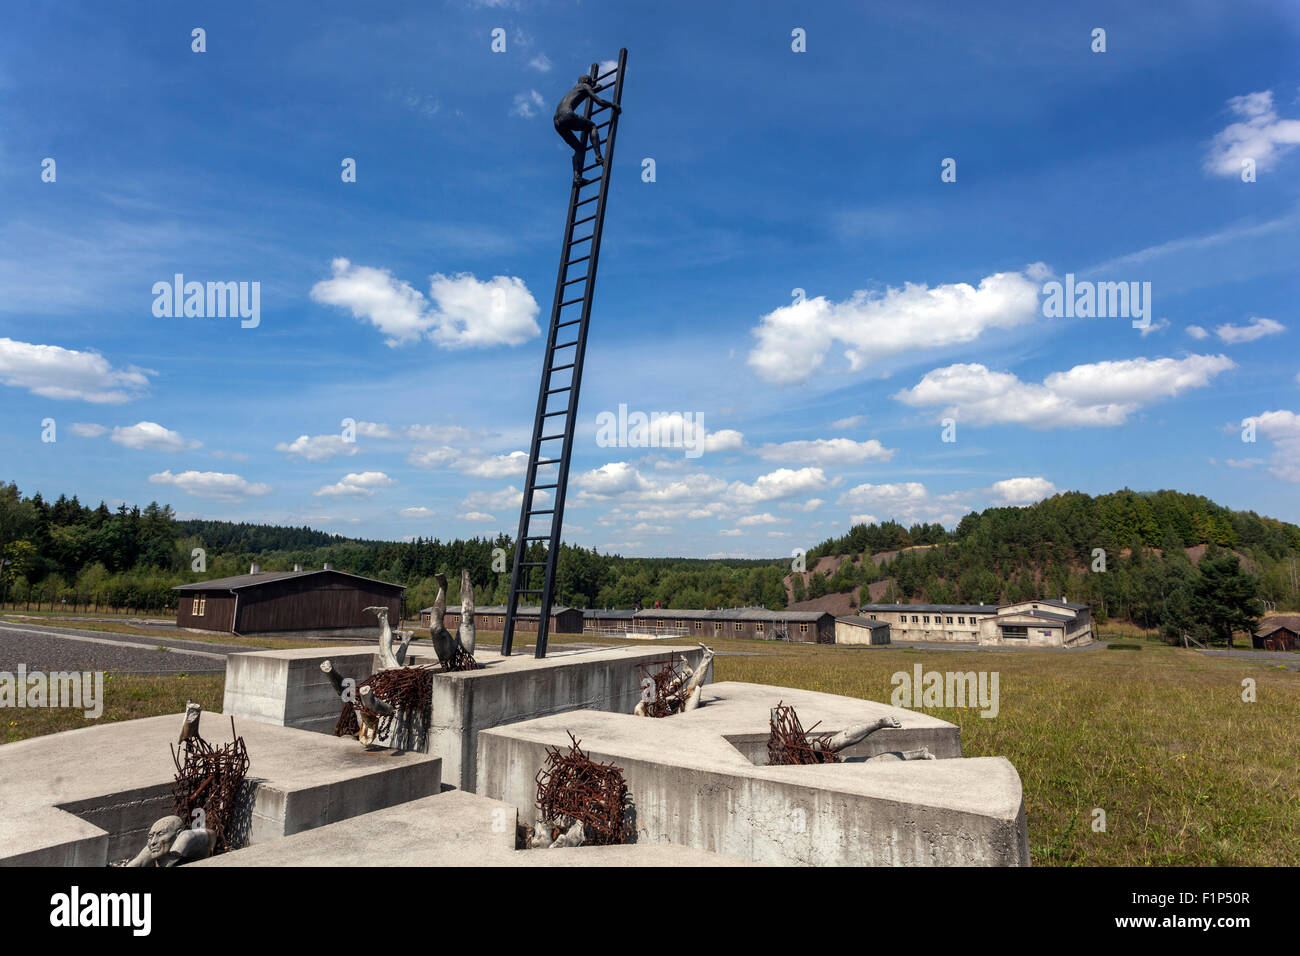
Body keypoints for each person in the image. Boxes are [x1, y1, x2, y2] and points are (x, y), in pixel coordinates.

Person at [554, 74, 620, 183]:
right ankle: (598, 156)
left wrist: (594, 89)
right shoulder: (585, 86)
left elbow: (581, 95)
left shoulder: (575, 90)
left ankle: (577, 177)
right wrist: (613, 105)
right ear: (586, 81)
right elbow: (599, 102)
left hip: (557, 121)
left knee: (579, 149)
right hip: (567, 115)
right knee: (592, 126)